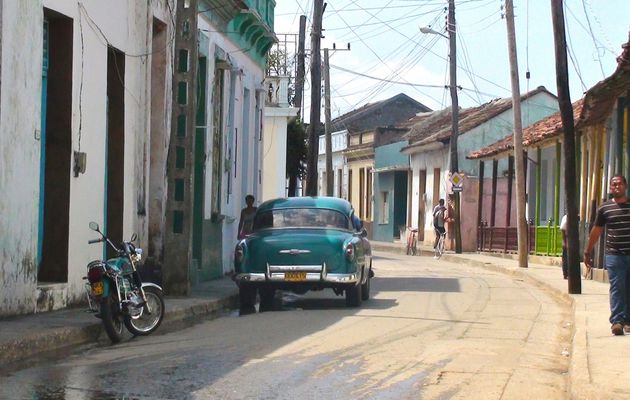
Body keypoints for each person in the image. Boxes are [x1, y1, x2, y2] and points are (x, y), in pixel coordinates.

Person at [584, 175, 630, 336]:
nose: (616, 187)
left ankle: (628, 321)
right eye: (613, 184)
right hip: (614, 255)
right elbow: (596, 231)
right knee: (617, 287)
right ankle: (617, 321)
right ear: (610, 188)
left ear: (625, 186)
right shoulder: (604, 209)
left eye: (619, 184)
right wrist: (587, 251)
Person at [560, 213, 568, 279]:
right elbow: (562, 230)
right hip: (567, 239)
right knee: (565, 258)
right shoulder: (566, 217)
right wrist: (564, 242)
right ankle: (565, 273)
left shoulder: (576, 217)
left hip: (573, 240)